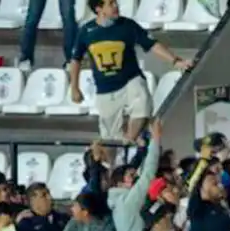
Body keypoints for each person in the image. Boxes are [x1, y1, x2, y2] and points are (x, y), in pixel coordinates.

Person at [69, 0, 192, 142]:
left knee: (143, 103)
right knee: (110, 138)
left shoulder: (127, 25)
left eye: (115, 2)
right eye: (110, 3)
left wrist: (175, 61)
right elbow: (75, 59)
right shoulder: (86, 31)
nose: (116, 6)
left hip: (130, 80)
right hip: (105, 89)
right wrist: (74, 88)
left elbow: (151, 44)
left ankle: (131, 138)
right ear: (98, 9)